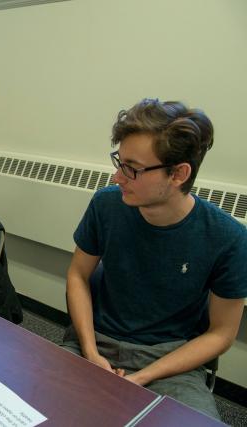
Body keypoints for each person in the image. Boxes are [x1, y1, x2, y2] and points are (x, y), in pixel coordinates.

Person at [61, 98, 247, 419]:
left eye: (132, 168)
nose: (118, 177)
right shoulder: (106, 205)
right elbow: (78, 275)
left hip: (170, 364)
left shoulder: (228, 238)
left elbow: (221, 333)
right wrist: (91, 352)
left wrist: (143, 377)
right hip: (93, 342)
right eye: (120, 161)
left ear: (178, 174)